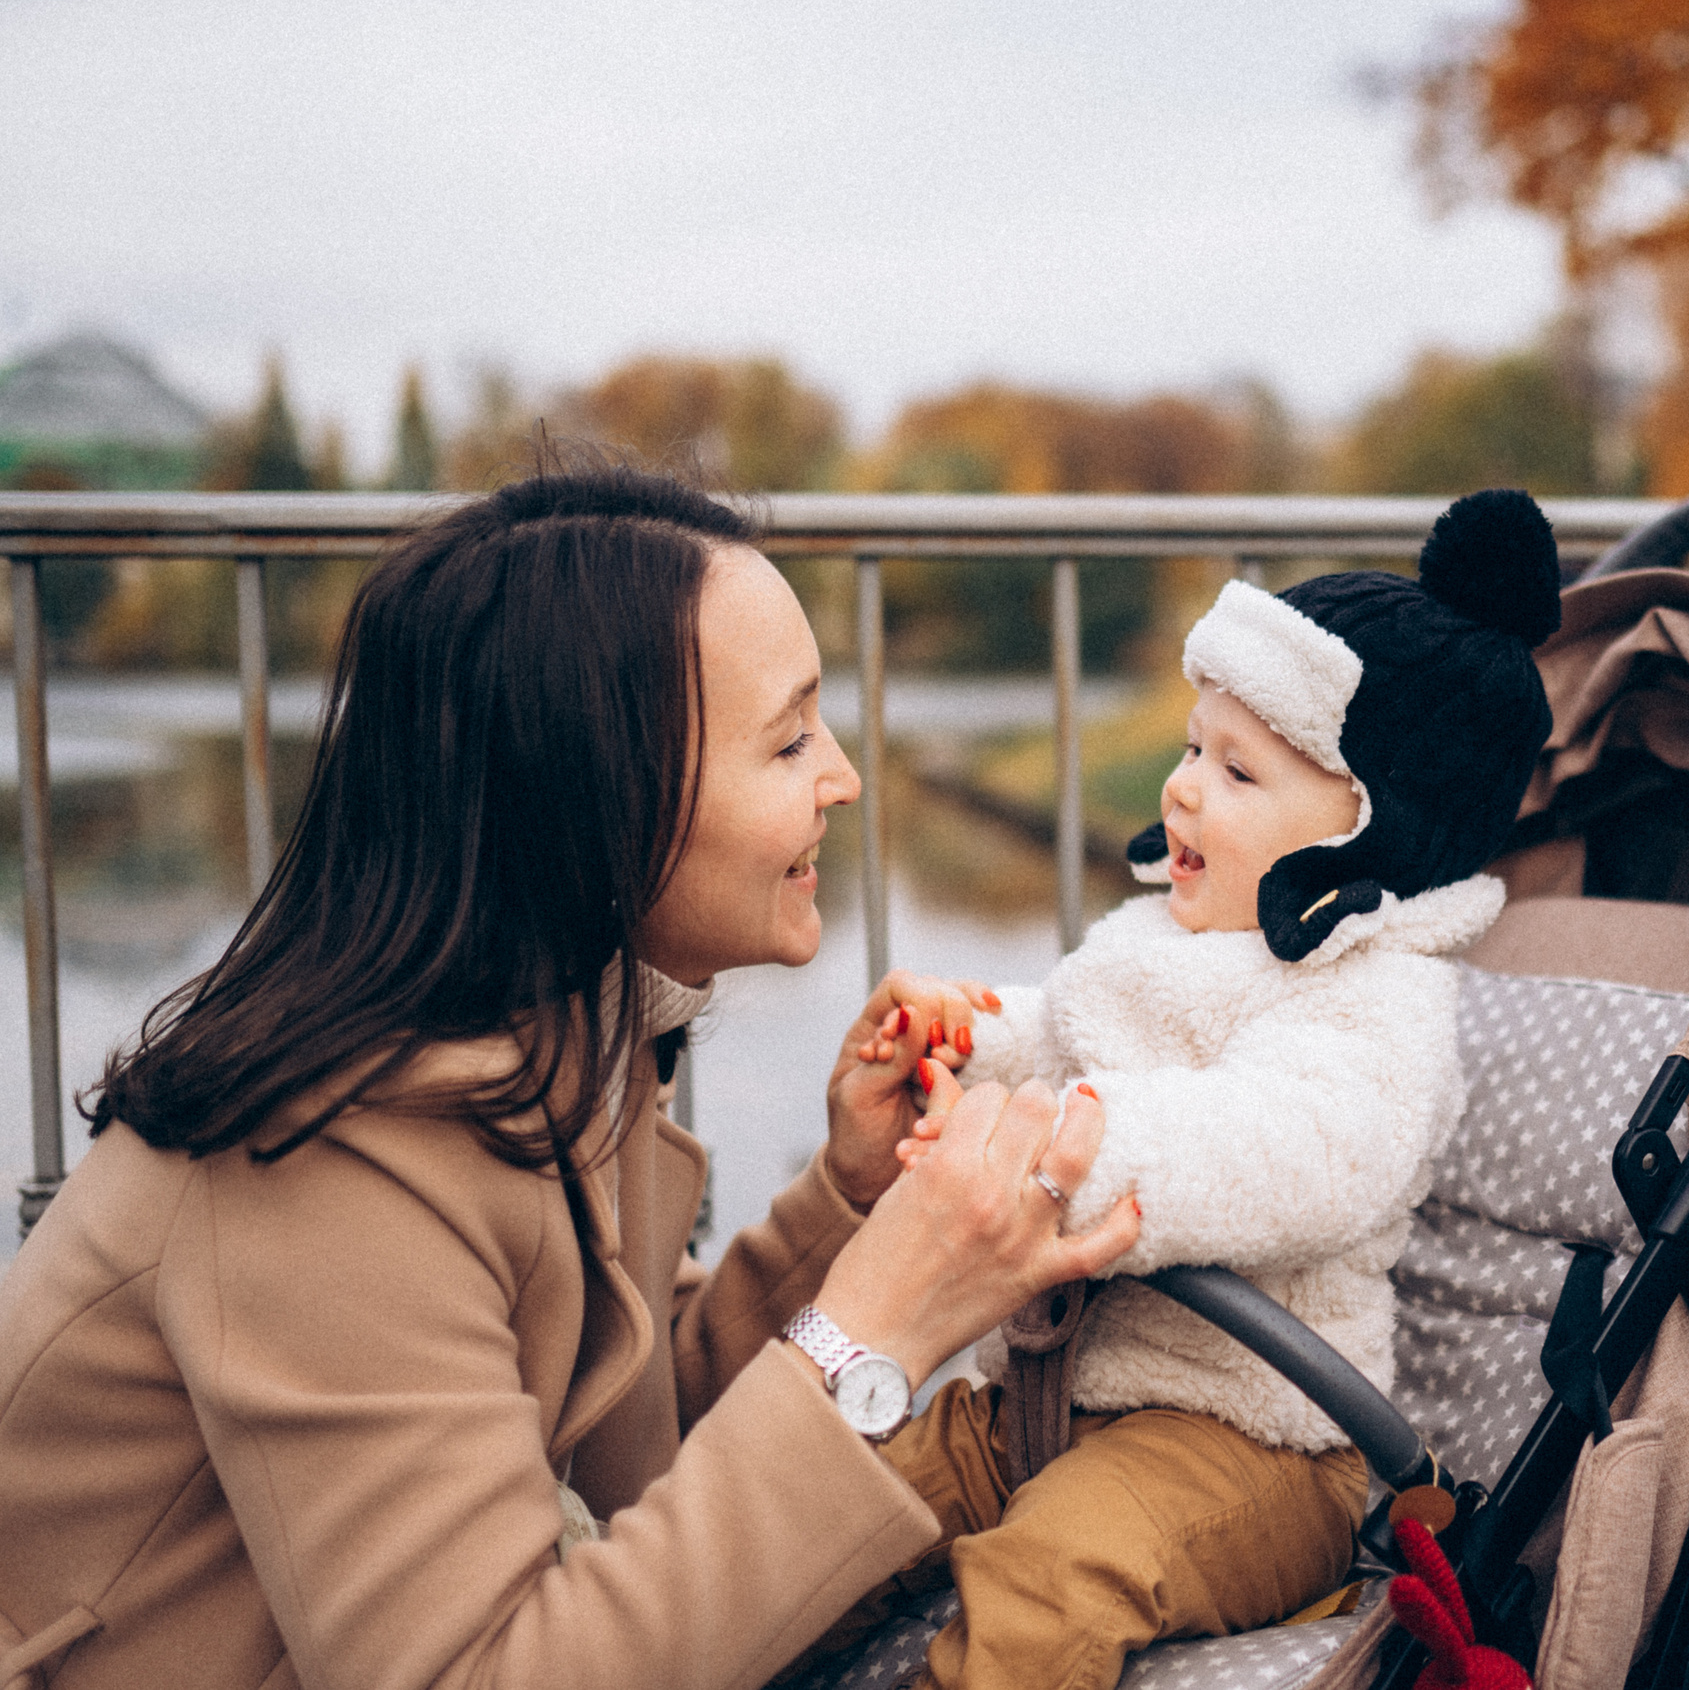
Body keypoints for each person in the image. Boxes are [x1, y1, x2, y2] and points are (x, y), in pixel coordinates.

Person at [0, 464, 1137, 1690]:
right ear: (594, 788)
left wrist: (845, 1211)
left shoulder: (553, 1036)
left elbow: (624, 1442)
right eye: (791, 734)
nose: (843, 777)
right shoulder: (322, 1150)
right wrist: (881, 1331)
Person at [820, 489, 1565, 1690]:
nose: (1180, 789)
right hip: (1040, 1403)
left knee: (1042, 1580)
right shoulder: (1164, 936)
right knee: (834, 1504)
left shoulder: (1375, 1003)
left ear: (1370, 833)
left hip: (1248, 1446)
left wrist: (1076, 1147)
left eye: (1237, 770)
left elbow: (1285, 1148)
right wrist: (966, 1039)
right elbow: (1069, 1030)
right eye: (1188, 747)